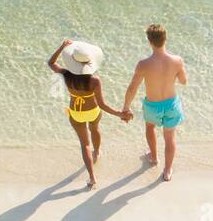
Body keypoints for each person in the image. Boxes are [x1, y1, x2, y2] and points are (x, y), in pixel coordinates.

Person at [47, 39, 130, 189]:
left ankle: (92, 178)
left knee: (84, 144)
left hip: (76, 113)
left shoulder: (66, 75)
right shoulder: (95, 80)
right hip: (93, 111)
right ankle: (97, 152)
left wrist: (62, 47)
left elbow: (51, 63)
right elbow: (103, 105)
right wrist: (120, 114)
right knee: (95, 129)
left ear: (73, 62)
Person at [123, 23, 187, 181]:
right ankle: (167, 170)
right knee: (170, 137)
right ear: (165, 39)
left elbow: (132, 88)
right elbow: (184, 81)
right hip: (171, 104)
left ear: (149, 41)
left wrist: (126, 107)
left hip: (152, 105)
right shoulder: (177, 61)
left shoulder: (143, 64)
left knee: (150, 127)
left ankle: (153, 156)